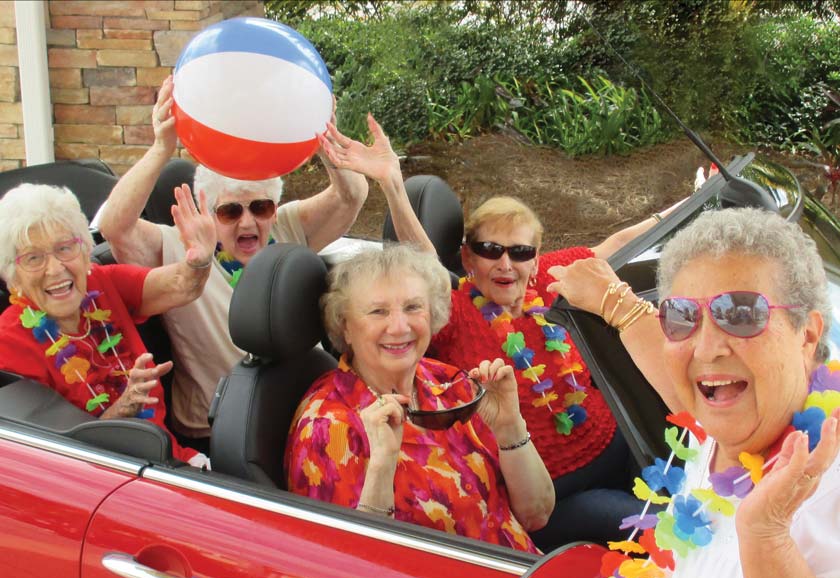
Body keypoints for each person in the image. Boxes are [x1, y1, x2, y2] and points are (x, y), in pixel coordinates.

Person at [557, 207, 840, 578]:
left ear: (807, 334)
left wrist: (765, 535)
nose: (707, 346)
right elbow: (681, 377)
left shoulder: (826, 479)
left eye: (741, 313)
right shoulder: (719, 435)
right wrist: (614, 300)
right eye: (683, 316)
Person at [318, 114, 679, 549]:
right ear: (468, 259)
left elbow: (616, 245)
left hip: (613, 441)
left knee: (690, 493)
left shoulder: (548, 277)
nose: (506, 264)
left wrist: (696, 201)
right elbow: (424, 267)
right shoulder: (452, 312)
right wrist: (393, 184)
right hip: (557, 490)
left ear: (536, 254)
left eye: (520, 251)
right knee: (661, 530)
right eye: (491, 251)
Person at [98, 76, 369, 450]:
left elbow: (352, 195)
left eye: (260, 207)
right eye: (229, 211)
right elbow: (114, 225)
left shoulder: (286, 225)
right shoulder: (178, 246)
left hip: (309, 406)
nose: (247, 222)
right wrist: (162, 148)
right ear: (207, 211)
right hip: (221, 424)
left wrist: (320, 136)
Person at [284, 244, 555, 553]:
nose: (400, 327)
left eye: (413, 307)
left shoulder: (444, 380)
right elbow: (353, 571)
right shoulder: (326, 427)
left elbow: (537, 514)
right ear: (345, 326)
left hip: (520, 573)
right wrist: (382, 467)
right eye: (378, 311)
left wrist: (510, 428)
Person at [0, 182, 217, 467]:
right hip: (119, 483)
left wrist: (200, 260)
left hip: (173, 459)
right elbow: (62, 462)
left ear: (84, 249)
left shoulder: (101, 283)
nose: (55, 269)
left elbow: (180, 286)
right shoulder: (10, 342)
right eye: (33, 258)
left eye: (65, 248)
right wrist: (123, 409)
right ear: (13, 275)